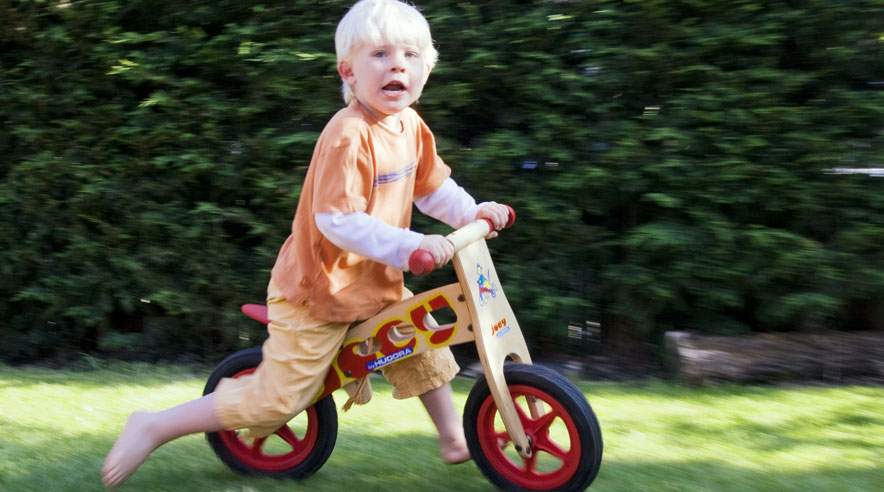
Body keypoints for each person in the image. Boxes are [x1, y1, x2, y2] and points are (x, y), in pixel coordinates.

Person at [101, 0, 510, 487]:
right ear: (349, 72)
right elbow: (336, 220)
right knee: (279, 400)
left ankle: (452, 438)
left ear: (426, 70)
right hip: (318, 292)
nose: (397, 63)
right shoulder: (348, 135)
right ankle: (154, 425)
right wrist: (411, 246)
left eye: (411, 54)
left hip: (372, 283)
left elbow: (431, 188)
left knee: (419, 341)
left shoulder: (411, 128)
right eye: (379, 54)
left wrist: (472, 212)